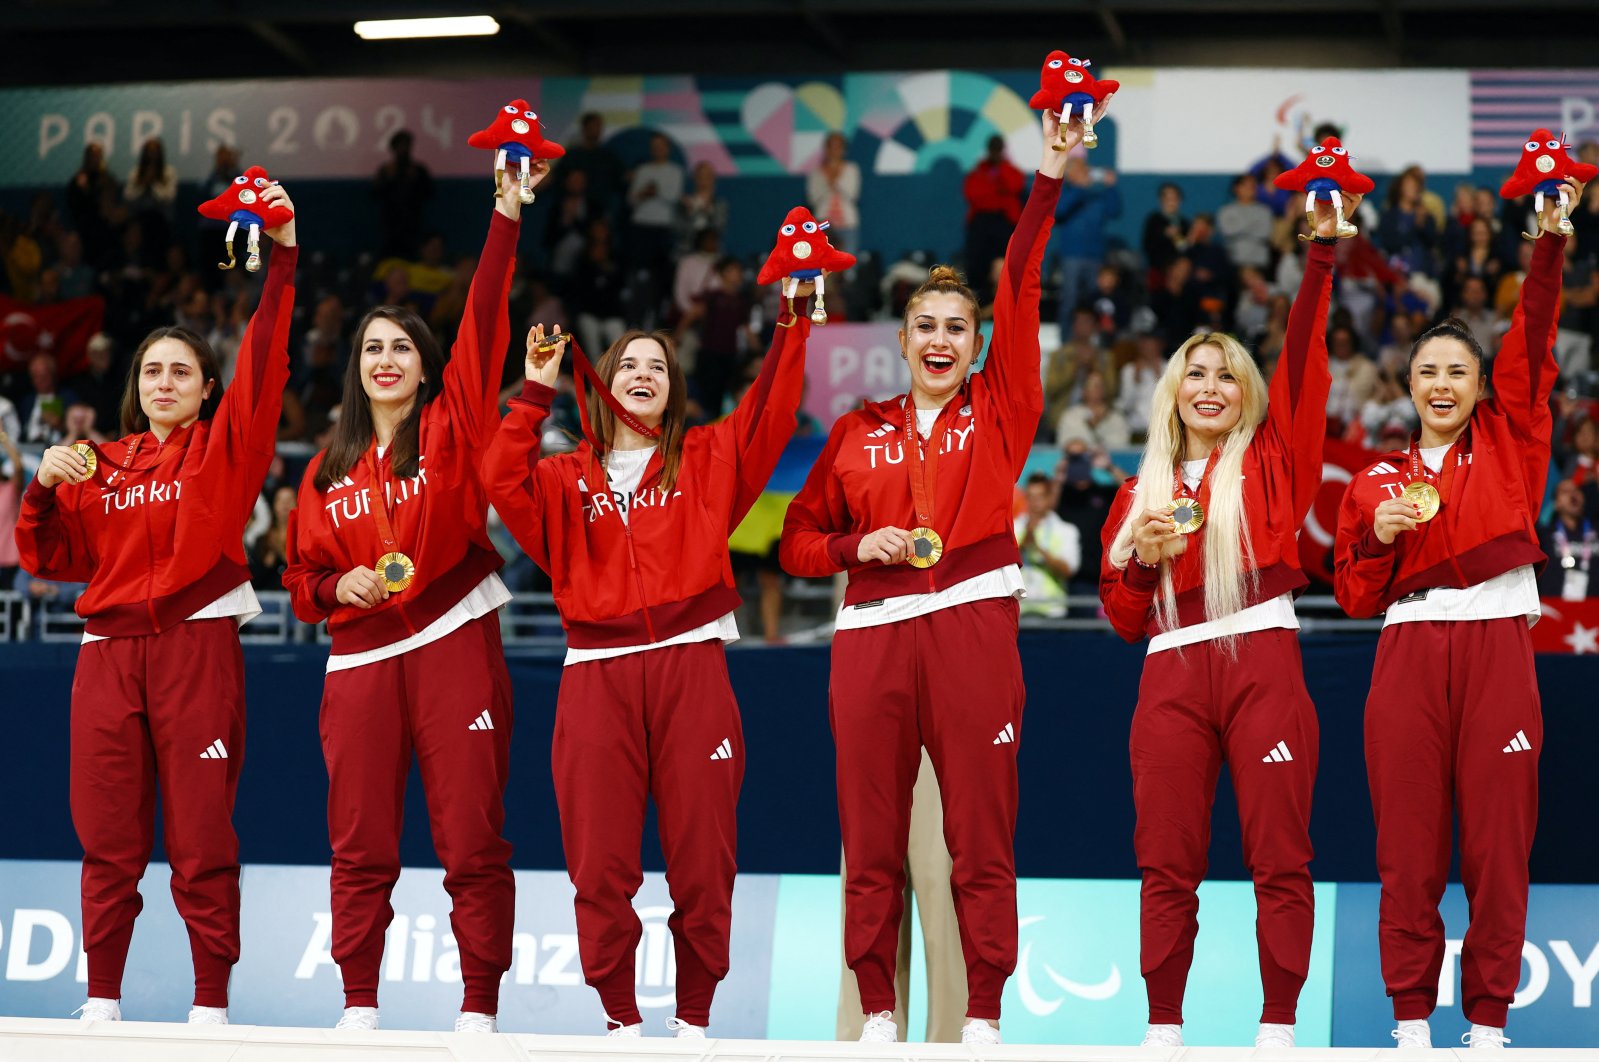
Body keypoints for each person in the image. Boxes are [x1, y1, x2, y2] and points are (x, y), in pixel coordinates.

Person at [780, 100, 1087, 1047]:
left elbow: (1022, 285)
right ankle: (878, 1011)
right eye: (926, 325)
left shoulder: (1000, 410)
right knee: (868, 845)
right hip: (869, 637)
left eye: (958, 324)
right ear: (902, 339)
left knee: (979, 838)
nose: (943, 338)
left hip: (970, 629)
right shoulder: (855, 430)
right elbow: (793, 542)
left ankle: (985, 1013)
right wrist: (846, 551)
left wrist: (1046, 177)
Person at [480, 270, 818, 1037]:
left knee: (703, 859)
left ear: (673, 389)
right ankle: (620, 1023)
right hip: (595, 677)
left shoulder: (709, 460)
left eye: (656, 366)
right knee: (599, 865)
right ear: (601, 387)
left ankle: (694, 1022)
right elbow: (497, 477)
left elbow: (771, 406)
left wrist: (794, 316)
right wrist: (533, 392)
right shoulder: (561, 480)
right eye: (627, 363)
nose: (640, 373)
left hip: (691, 666)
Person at [13, 182, 298, 1026]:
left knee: (203, 839)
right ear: (135, 385)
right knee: (107, 839)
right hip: (105, 655)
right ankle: (101, 999)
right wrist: (39, 491)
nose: (166, 381)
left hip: (193, 648)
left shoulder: (225, 451)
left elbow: (268, 356)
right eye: (153, 371)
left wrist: (281, 257)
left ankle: (210, 1005)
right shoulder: (96, 462)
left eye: (183, 371)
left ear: (209, 388)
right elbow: (50, 560)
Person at [283, 163, 541, 1035]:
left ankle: (479, 1007)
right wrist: (333, 584)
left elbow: (484, 317)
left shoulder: (450, 426)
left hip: (452, 641)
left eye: (401, 348)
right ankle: (359, 1005)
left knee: (471, 839)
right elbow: (297, 580)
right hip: (357, 663)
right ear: (356, 370)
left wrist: (504, 213)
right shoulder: (324, 470)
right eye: (372, 349)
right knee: (359, 848)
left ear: (428, 370)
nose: (386, 360)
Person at [1332, 175, 1584, 1051]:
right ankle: (1408, 1021)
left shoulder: (1512, 436)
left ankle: (1486, 1025)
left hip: (1495, 649)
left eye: (1456, 372)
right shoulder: (1372, 479)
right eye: (1426, 372)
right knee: (1406, 851)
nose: (1441, 383)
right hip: (1406, 652)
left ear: (1482, 385)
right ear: (1407, 385)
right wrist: (1376, 535)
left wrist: (1546, 246)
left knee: (1496, 848)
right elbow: (1353, 594)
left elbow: (1534, 330)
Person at [1100, 193, 1348, 1051]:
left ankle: (1277, 1026)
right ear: (1173, 392)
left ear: (1244, 393)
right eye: (1194, 374)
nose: (1210, 387)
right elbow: (1123, 620)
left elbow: (1305, 365)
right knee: (1164, 862)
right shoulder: (1137, 495)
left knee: (1279, 856)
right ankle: (1161, 1027)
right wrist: (1138, 556)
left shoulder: (1274, 464)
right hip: (1169, 672)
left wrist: (1318, 260)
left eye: (1225, 374)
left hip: (1262, 663)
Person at [962, 135, 1025, 304]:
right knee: (977, 265)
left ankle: (1003, 302)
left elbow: (1015, 185)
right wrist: (999, 192)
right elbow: (973, 194)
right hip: (981, 224)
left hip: (1003, 223)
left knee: (1003, 267)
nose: (995, 151)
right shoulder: (979, 171)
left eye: (998, 148)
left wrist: (999, 175)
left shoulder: (1009, 170)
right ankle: (976, 305)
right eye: (993, 148)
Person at [1015, 472, 1079, 617]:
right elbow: (1003, 569)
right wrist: (1024, 544)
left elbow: (1068, 570)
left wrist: (1038, 549)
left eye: (1040, 496)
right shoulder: (1013, 527)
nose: (1034, 502)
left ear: (1049, 497)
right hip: (1019, 612)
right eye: (1031, 496)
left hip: (1052, 611)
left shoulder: (1065, 530)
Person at [372, 130, 435, 260]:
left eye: (406, 146)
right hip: (390, 226)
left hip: (413, 225)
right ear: (393, 148)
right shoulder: (386, 170)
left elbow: (430, 193)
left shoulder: (418, 171)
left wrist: (415, 179)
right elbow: (374, 195)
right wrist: (388, 179)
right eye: (400, 146)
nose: (403, 150)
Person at [1539, 477, 1596, 600]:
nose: (1573, 494)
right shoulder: (1544, 535)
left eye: (1576, 490)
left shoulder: (1596, 531)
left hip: (1593, 611)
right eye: (1565, 491)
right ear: (1556, 503)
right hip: (1554, 611)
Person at [809, 132, 862, 254]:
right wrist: (827, 179)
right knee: (822, 262)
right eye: (831, 147)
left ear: (843, 150)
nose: (834, 151)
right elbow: (813, 198)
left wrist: (835, 179)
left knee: (847, 261)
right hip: (824, 224)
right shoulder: (816, 173)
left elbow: (853, 194)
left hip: (847, 224)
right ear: (826, 149)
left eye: (838, 147)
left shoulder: (852, 169)